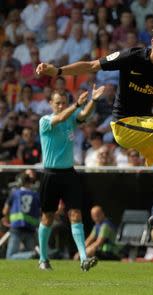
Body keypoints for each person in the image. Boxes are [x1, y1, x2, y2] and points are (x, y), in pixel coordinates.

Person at [36, 23, 153, 235]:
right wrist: (57, 71)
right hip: (123, 125)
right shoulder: (132, 56)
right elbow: (92, 66)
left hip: (145, 125)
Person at [37, 85, 104, 271]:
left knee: (76, 214)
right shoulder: (45, 120)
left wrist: (94, 100)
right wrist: (75, 104)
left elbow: (84, 115)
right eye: (57, 102)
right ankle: (43, 258)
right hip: (50, 175)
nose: (60, 105)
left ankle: (83, 258)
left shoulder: (71, 118)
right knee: (48, 217)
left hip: (69, 174)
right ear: (50, 103)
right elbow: (60, 117)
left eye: (63, 102)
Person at [2, 172, 40, 259]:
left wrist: (6, 218)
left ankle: (32, 255)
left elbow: (5, 211)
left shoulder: (14, 193)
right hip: (31, 228)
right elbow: (40, 211)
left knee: (10, 256)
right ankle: (32, 254)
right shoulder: (35, 195)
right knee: (29, 252)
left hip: (16, 227)